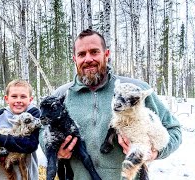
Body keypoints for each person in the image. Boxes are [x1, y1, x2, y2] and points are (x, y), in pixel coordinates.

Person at [40, 29, 182, 179]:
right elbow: (43, 131)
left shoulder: (135, 91)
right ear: (74, 59)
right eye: (82, 54)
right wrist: (55, 151)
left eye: (94, 52)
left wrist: (154, 152)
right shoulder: (61, 96)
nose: (88, 59)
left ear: (106, 54)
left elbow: (174, 129)